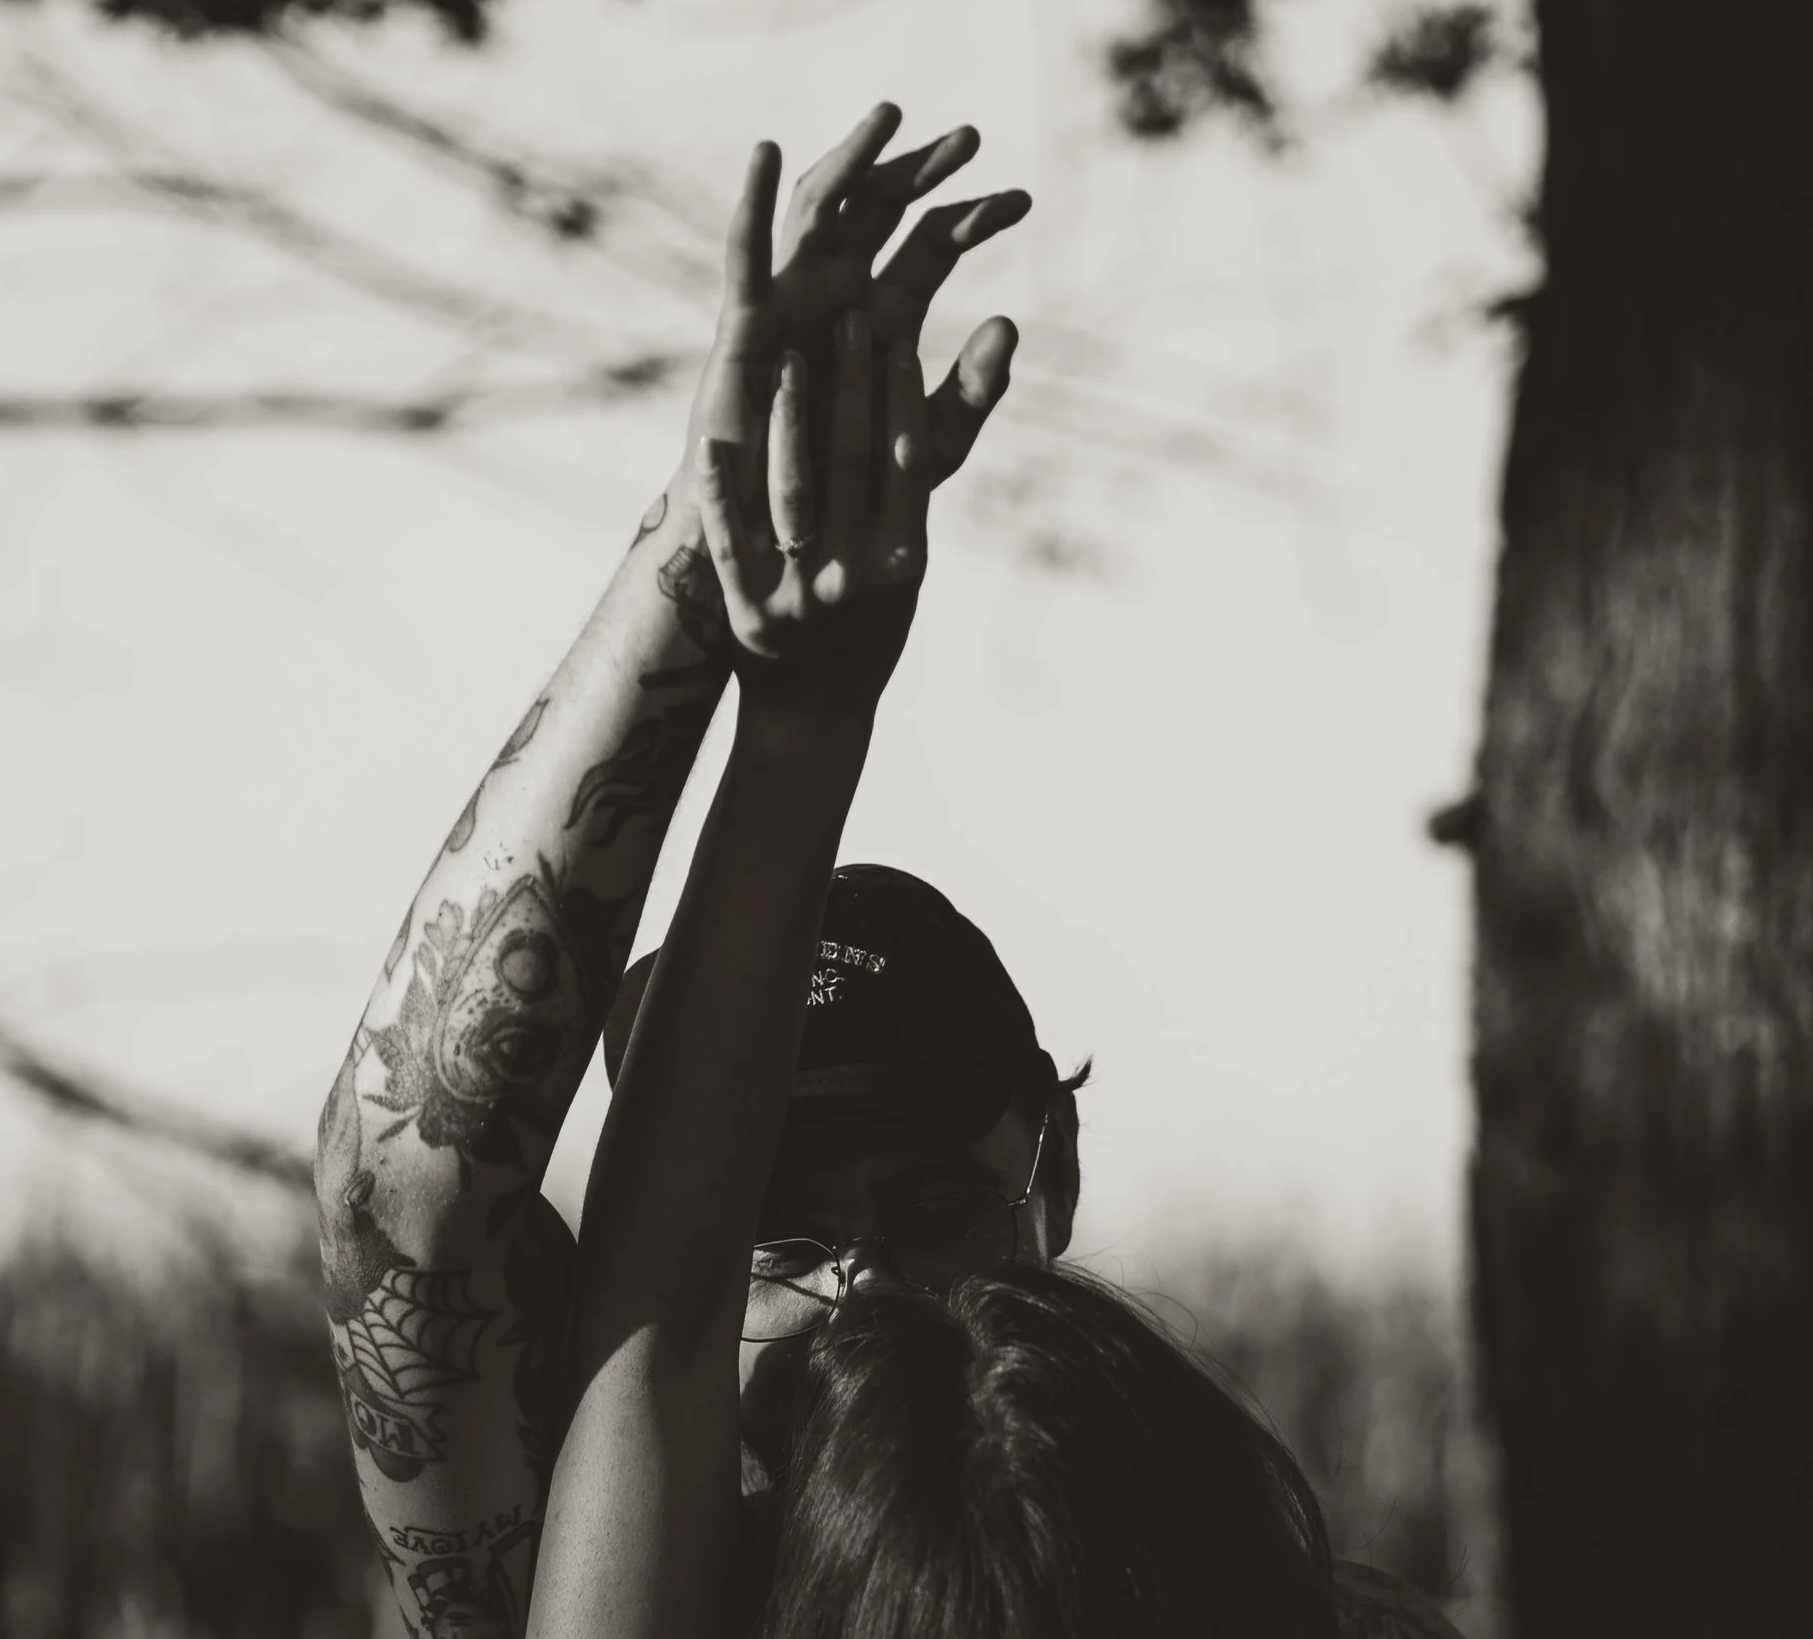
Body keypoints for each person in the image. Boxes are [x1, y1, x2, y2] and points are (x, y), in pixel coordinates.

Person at [314, 106, 1465, 1639]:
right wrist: (707, 573)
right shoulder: (610, 1580)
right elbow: (414, 1185)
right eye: (770, 1240)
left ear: (1046, 1176)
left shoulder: (1277, 1604)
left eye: (927, 1205)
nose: (859, 1299)